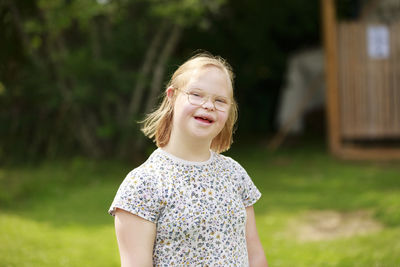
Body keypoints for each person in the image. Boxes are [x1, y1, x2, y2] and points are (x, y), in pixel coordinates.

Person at [108, 52, 268, 267]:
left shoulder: (234, 173)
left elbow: (255, 255)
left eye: (220, 100)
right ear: (172, 96)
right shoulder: (143, 185)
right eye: (196, 94)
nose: (209, 105)